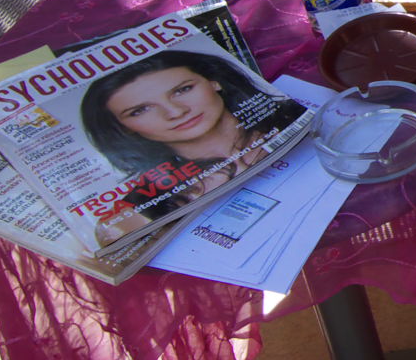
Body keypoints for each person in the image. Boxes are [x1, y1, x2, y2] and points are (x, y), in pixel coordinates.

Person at [81, 50, 300, 244]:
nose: (176, 112)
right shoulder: (143, 207)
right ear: (123, 128)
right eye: (140, 110)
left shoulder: (293, 117)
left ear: (214, 82)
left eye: (183, 90)